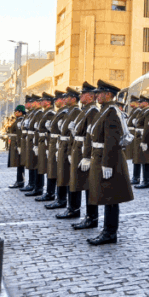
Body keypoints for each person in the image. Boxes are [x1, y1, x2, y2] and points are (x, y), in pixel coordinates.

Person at [84, 80, 134, 245]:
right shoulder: (105, 110)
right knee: (107, 196)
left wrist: (107, 164)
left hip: (109, 158)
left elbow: (111, 141)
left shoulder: (111, 112)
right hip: (101, 156)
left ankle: (110, 233)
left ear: (108, 94)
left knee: (111, 198)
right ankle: (107, 231)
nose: (97, 96)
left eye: (100, 93)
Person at [65, 83, 100, 225]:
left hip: (84, 150)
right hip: (77, 149)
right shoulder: (85, 110)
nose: (80, 96)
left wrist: (87, 156)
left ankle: (92, 217)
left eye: (83, 94)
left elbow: (91, 135)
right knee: (77, 181)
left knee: (88, 185)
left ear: (90, 97)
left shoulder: (93, 111)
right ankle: (74, 209)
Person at [45, 89, 79, 212]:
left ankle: (65, 201)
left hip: (67, 145)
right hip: (61, 143)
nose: (64, 100)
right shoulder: (69, 111)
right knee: (61, 173)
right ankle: (60, 199)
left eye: (66, 97)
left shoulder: (75, 111)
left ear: (74, 99)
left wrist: (69, 150)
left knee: (66, 175)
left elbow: (72, 133)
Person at [7, 105, 26, 188]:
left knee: (20, 164)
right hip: (15, 143)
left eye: (17, 111)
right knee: (18, 164)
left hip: (18, 143)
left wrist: (19, 146)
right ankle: (19, 181)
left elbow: (19, 134)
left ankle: (20, 181)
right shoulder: (18, 120)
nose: (15, 113)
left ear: (21, 112)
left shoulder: (20, 121)